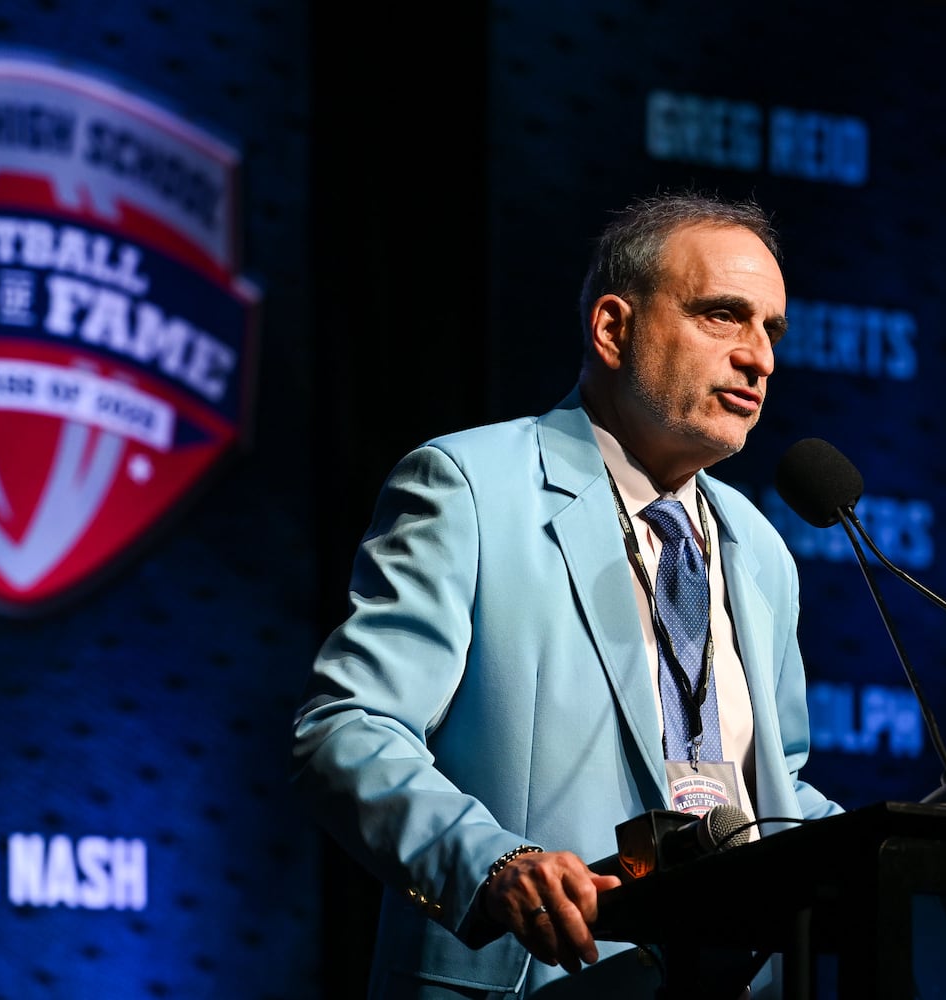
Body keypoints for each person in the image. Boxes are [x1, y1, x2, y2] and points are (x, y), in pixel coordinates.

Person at [290, 190, 843, 999]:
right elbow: (344, 730)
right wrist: (491, 863)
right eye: (724, 316)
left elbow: (777, 793)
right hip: (535, 983)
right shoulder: (470, 488)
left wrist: (918, 847)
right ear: (614, 328)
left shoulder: (759, 549)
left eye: (771, 329)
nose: (759, 356)